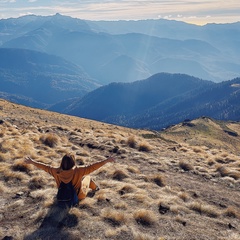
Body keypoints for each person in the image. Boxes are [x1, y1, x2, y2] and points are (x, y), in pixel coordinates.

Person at [24, 153, 115, 204]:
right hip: (78, 196)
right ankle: (96, 188)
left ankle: (94, 188)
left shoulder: (56, 171)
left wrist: (32, 162)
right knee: (87, 177)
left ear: (62, 163)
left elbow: (45, 167)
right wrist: (106, 161)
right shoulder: (79, 170)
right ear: (73, 162)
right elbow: (93, 167)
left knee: (84, 177)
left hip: (62, 196)